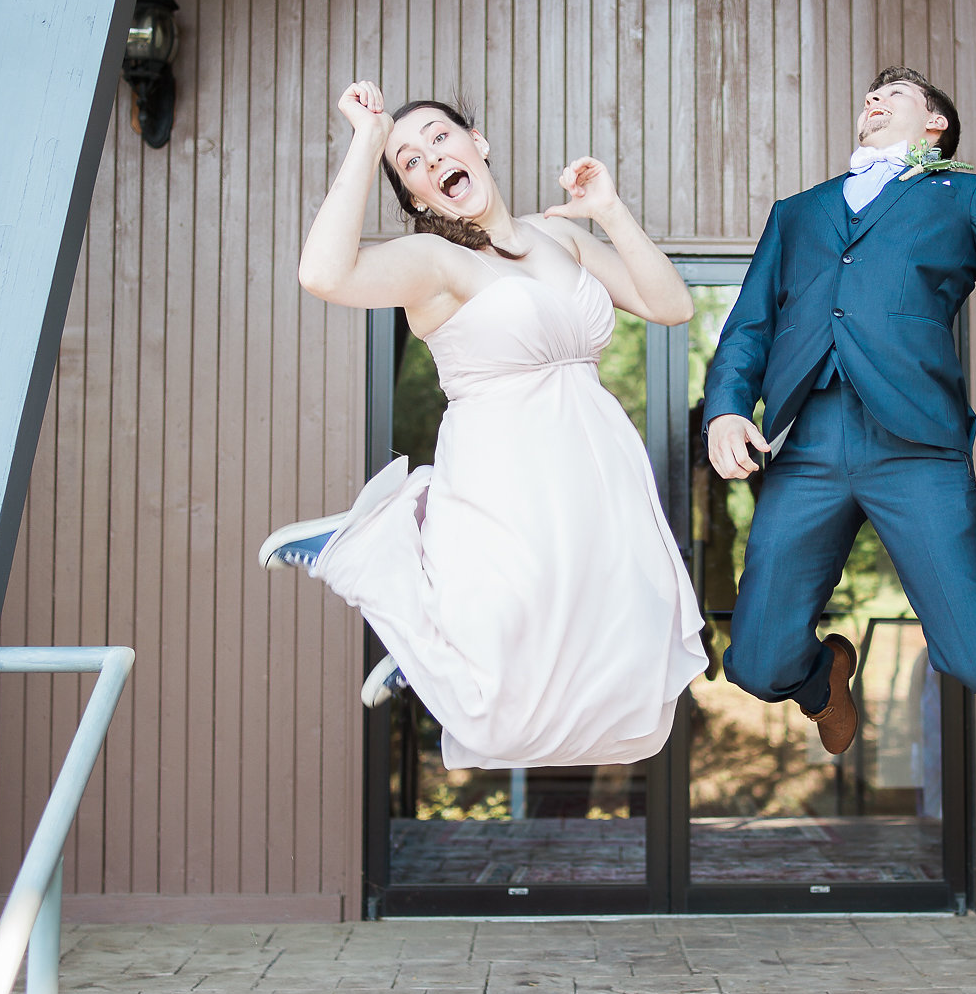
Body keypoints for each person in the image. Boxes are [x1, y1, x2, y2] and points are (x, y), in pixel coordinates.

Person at [702, 67, 976, 755]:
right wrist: (727, 409)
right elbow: (750, 326)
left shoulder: (963, 196)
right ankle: (823, 679)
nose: (874, 99)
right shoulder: (796, 213)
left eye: (897, 93)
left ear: (935, 124)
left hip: (914, 444)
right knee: (756, 664)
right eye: (869, 96)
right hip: (809, 447)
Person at [258, 81, 708, 770]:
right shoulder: (436, 264)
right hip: (507, 465)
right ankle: (370, 559)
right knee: (502, 717)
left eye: (439, 137)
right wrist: (368, 140)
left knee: (622, 663)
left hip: (594, 465)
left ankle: (428, 656)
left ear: (478, 144)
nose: (429, 158)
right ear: (414, 198)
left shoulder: (558, 234)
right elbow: (323, 273)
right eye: (409, 162)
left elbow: (670, 304)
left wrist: (609, 212)